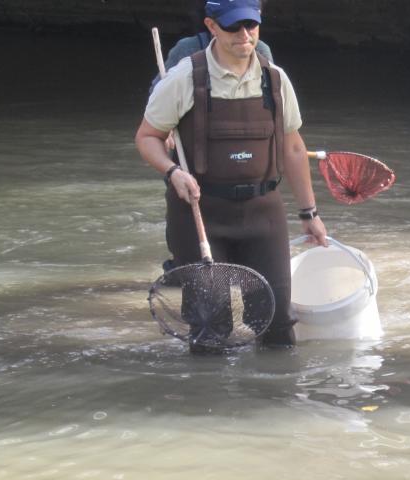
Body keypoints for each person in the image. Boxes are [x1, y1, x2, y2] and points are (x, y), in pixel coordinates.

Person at [135, 0, 327, 351]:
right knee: (211, 329)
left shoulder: (275, 78)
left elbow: (294, 149)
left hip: (263, 212)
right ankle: (211, 402)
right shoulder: (184, 77)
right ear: (211, 26)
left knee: (278, 327)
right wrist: (173, 171)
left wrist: (309, 213)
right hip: (200, 214)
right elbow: (147, 137)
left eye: (251, 26)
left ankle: (276, 399)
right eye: (233, 26)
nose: (244, 35)